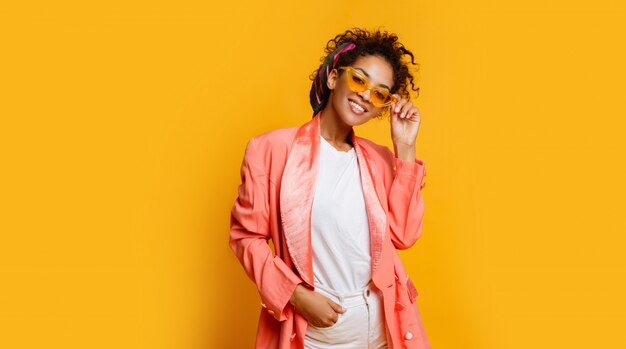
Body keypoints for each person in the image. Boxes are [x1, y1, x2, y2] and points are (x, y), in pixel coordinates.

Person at [229, 27, 431, 349]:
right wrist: (294, 294)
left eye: (380, 93)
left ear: (383, 107)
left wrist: (405, 149)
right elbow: (245, 237)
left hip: (382, 328)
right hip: (315, 333)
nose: (366, 95)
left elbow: (403, 235)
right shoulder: (271, 151)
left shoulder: (378, 160)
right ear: (335, 77)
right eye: (359, 80)